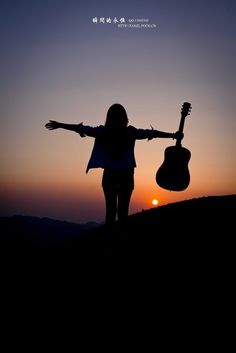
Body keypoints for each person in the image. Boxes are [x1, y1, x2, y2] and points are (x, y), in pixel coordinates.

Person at [45, 103, 183, 224]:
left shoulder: (102, 132)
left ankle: (109, 245)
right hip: (126, 175)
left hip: (110, 175)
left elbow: (81, 129)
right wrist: (172, 135)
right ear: (125, 117)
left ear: (109, 117)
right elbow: (153, 133)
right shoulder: (130, 132)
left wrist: (60, 125)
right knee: (123, 213)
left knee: (111, 212)